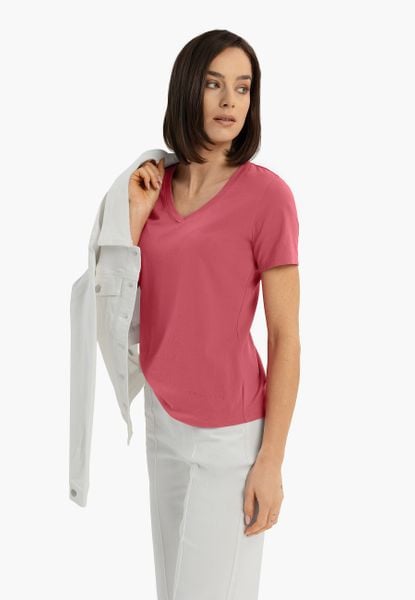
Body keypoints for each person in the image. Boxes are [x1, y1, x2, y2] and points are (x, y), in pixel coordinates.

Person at [127, 29, 300, 600]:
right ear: (187, 90)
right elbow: (118, 299)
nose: (230, 101)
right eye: (214, 84)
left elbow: (285, 337)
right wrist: (134, 217)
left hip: (230, 436)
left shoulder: (267, 197)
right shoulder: (152, 188)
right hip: (163, 421)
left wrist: (270, 460)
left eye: (243, 88)